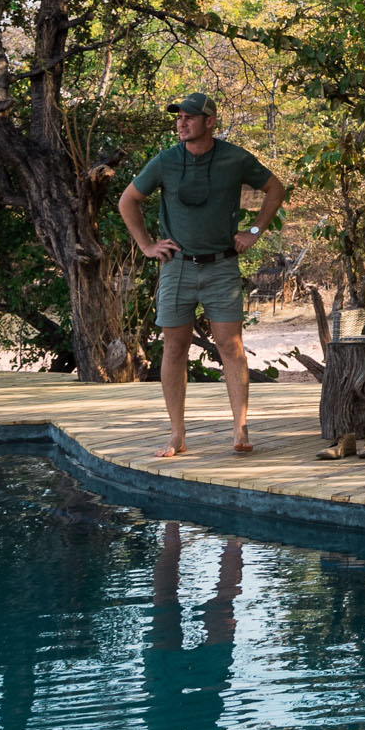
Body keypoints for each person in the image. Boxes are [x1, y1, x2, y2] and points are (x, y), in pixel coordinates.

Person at [120, 92, 289, 457]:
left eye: (189, 117)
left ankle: (240, 430)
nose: (181, 123)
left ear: (209, 121)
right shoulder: (166, 161)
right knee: (174, 347)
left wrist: (255, 231)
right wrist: (148, 245)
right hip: (177, 267)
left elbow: (275, 189)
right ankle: (177, 435)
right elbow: (127, 200)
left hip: (223, 265)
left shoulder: (234, 158)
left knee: (231, 346)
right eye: (178, 117)